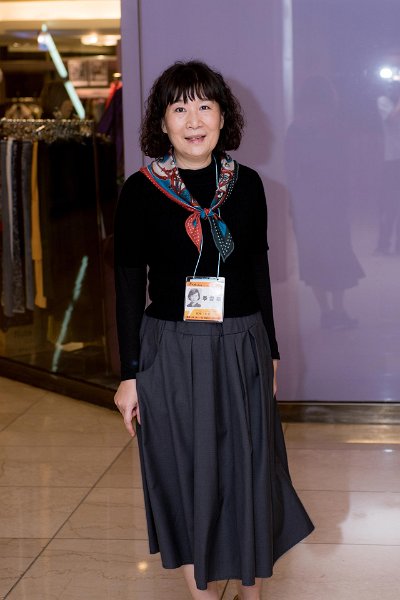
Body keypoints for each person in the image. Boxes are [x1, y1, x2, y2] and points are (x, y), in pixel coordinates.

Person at [114, 60, 314, 600]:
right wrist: (129, 374)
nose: (193, 120)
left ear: (224, 117)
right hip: (170, 348)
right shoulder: (140, 191)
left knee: (249, 468)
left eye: (205, 105)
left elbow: (257, 271)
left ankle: (251, 588)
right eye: (179, 108)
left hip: (242, 341)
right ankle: (201, 593)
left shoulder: (247, 186)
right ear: (162, 122)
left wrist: (271, 351)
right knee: (183, 469)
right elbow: (129, 285)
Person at [285, 76, 364, 330]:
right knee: (338, 253)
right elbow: (345, 167)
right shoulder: (335, 128)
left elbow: (290, 169)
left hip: (306, 200)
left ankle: (327, 312)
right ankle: (338, 311)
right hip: (331, 200)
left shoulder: (295, 130)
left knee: (314, 256)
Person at [376, 80, 400, 254]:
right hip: (392, 159)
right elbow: (392, 118)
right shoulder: (383, 101)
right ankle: (383, 245)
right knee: (389, 204)